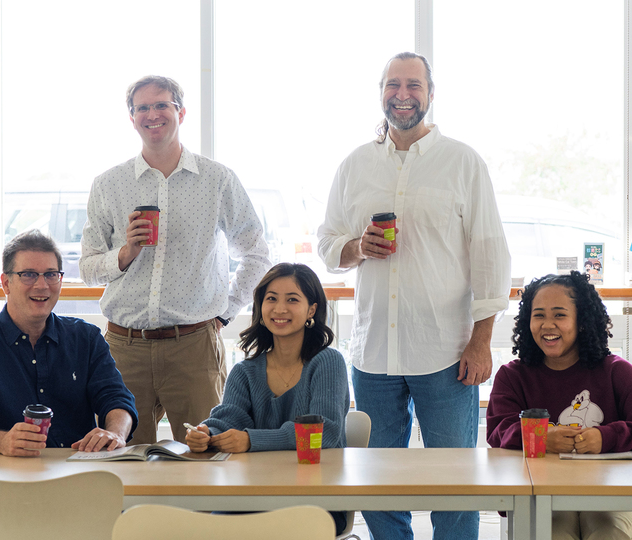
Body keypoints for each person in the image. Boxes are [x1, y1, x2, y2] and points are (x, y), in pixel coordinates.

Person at [317, 52, 511, 540]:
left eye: (413, 85)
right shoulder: (355, 165)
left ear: (431, 94)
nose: (402, 95)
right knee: (377, 479)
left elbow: (490, 254)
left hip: (446, 351)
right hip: (373, 353)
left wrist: (481, 341)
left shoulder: (463, 162)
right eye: (393, 84)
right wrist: (356, 248)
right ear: (380, 92)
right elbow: (327, 244)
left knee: (456, 481)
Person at [80, 75, 271, 445]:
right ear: (132, 118)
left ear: (181, 113)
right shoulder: (109, 184)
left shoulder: (217, 179)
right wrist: (125, 254)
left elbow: (256, 254)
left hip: (193, 347)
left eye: (161, 105)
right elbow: (88, 269)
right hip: (124, 349)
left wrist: (224, 312)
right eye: (142, 108)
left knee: (207, 457)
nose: (152, 114)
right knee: (123, 461)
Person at [487, 271, 632, 540]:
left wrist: (606, 437)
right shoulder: (512, 376)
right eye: (538, 315)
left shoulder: (616, 371)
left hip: (613, 494)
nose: (547, 324)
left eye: (559, 315)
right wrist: (541, 437)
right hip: (538, 492)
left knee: (607, 533)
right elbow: (497, 431)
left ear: (582, 321)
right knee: (552, 534)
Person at [0, 230, 138, 457]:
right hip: (3, 473)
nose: (42, 285)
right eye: (29, 275)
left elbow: (117, 399)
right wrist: (0, 441)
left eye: (51, 274)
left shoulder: (86, 338)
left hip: (77, 471)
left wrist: (115, 433)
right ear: (6, 283)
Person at [185, 263, 350, 535]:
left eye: (292, 300)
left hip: (318, 499)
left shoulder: (328, 362)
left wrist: (251, 440)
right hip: (254, 495)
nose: (279, 309)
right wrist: (207, 434)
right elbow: (228, 420)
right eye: (271, 299)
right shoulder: (245, 371)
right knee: (213, 527)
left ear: (311, 310)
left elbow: (326, 432)